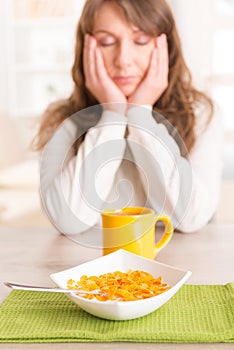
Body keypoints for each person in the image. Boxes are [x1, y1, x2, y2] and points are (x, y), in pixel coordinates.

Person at [34, 0, 223, 238]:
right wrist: (113, 114)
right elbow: (67, 220)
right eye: (107, 42)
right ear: (86, 47)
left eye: (141, 40)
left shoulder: (202, 113)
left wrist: (140, 114)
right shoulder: (62, 120)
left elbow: (191, 218)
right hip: (94, 271)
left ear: (166, 47)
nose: (123, 59)